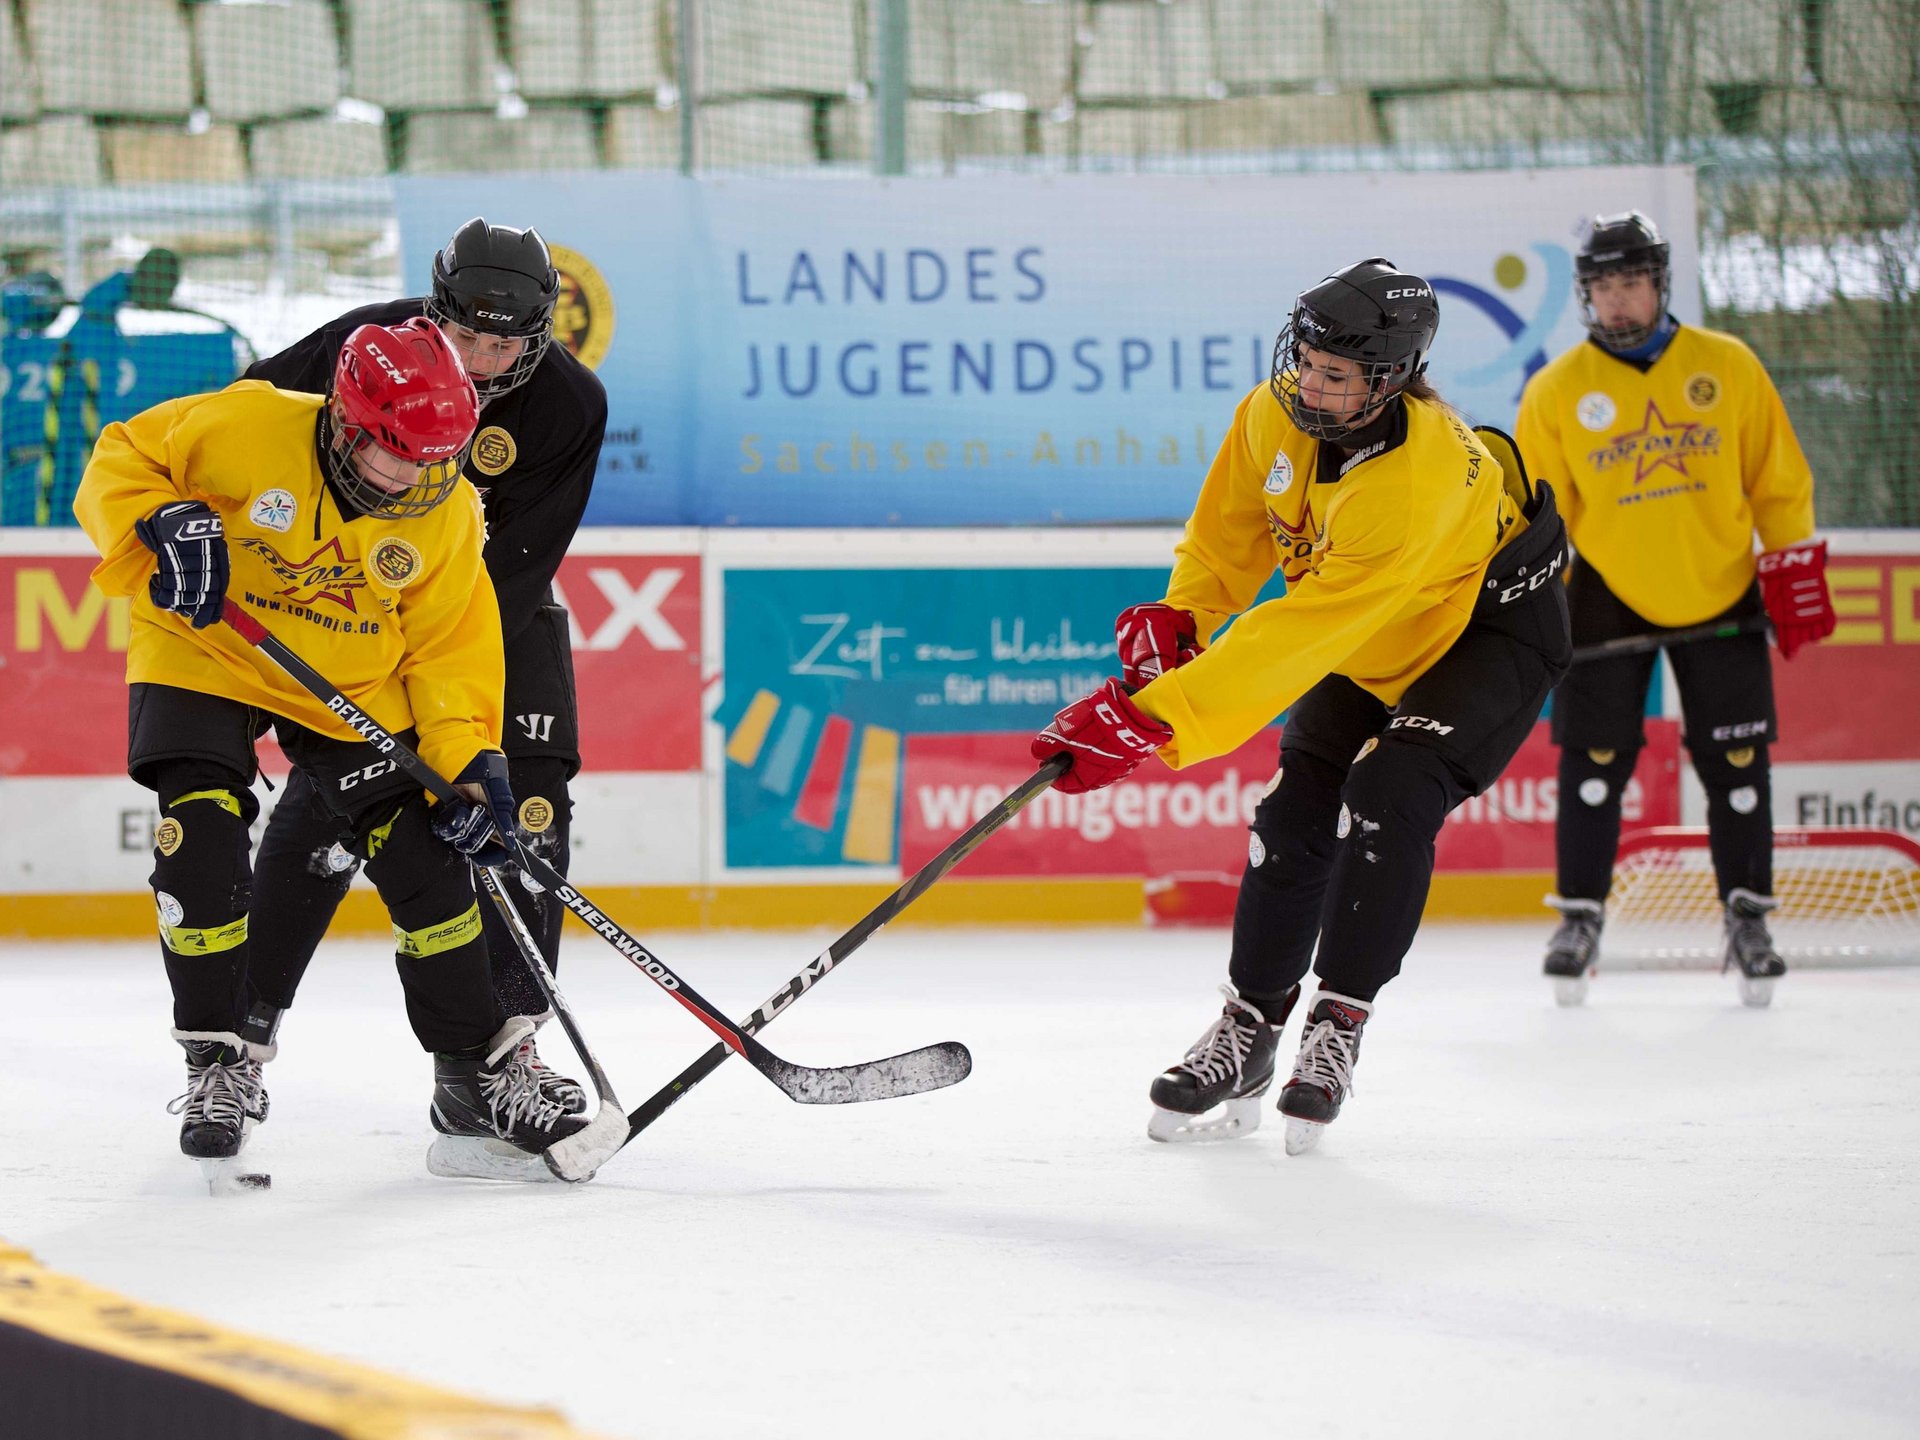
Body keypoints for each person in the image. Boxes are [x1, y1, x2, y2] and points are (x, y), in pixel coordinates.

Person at [1029, 258, 1571, 1153]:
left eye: (1336, 374)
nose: (1310, 385)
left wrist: (1157, 717)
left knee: (1389, 794)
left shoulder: (1415, 483)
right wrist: (1185, 614)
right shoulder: (1272, 413)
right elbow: (1228, 535)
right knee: (1292, 814)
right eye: (1306, 361)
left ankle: (1337, 1024)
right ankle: (1249, 1027)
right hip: (1375, 628)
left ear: (1390, 378)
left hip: (1488, 633)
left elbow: (1300, 632)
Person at [73, 317, 589, 1182]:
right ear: (345, 422)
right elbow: (119, 456)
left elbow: (449, 652)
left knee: (426, 862)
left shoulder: (445, 505)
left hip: (347, 675)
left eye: (435, 460)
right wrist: (158, 518)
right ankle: (218, 1062)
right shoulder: (245, 423)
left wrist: (466, 767)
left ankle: (476, 1074)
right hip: (206, 645)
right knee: (200, 840)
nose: (415, 479)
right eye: (396, 456)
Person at [237, 218, 607, 1101]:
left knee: (528, 808)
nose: (482, 362)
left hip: (489, 610)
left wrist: (437, 698)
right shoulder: (368, 344)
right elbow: (244, 415)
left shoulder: (570, 404)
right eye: (468, 337)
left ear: (539, 331)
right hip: (346, 599)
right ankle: (236, 1041)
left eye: (504, 345)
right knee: (329, 808)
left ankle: (502, 1059)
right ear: (437, 310)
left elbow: (518, 565)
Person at [1515, 211, 1834, 1009]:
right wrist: (1533, 605)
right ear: (1585, 295)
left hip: (1720, 582)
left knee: (1738, 764)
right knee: (1592, 764)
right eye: (1603, 286)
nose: (1618, 299)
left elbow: (1777, 479)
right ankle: (1579, 916)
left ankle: (1748, 918)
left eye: (1632, 282)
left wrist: (1789, 558)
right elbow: (1538, 515)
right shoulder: (1556, 390)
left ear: (1659, 283)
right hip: (1606, 591)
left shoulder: (1726, 365)